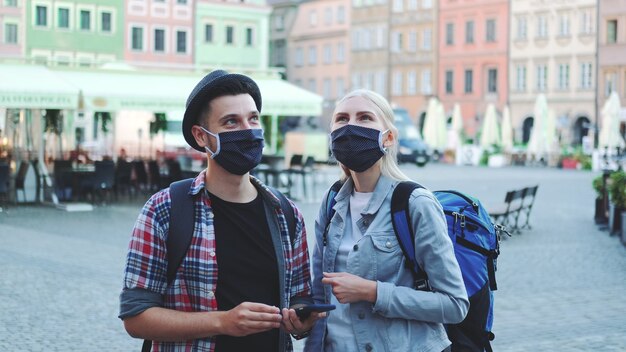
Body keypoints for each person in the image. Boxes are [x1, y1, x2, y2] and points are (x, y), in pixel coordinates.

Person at [119, 70, 322, 351]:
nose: (248, 131)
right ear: (201, 136)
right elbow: (136, 317)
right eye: (231, 122)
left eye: (253, 119)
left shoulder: (286, 214)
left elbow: (299, 298)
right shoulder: (164, 209)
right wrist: (223, 322)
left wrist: (301, 320)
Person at [304, 89, 469, 352]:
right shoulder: (332, 200)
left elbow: (454, 305)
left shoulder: (414, 203)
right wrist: (300, 318)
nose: (351, 127)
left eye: (365, 118)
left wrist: (373, 292)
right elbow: (318, 295)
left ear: (388, 137)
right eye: (342, 119)